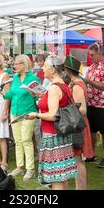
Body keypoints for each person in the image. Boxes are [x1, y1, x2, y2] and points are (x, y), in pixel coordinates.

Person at [28, 55, 77, 190]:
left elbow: (53, 115)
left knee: (56, 178)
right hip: (61, 135)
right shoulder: (62, 85)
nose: (42, 68)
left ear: (53, 70)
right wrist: (41, 96)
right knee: (62, 176)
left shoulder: (54, 88)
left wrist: (36, 114)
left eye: (45, 66)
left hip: (53, 136)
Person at [5, 55, 41, 180]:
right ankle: (19, 167)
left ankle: (30, 168)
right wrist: (4, 91)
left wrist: (37, 95)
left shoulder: (33, 78)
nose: (14, 66)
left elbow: (39, 97)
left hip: (27, 112)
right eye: (14, 64)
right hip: (14, 111)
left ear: (24, 64)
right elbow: (10, 95)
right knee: (18, 141)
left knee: (26, 140)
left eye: (16, 64)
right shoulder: (15, 78)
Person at [64, 55, 94, 190]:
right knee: (76, 160)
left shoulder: (77, 85)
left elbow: (82, 108)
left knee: (78, 160)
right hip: (77, 124)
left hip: (78, 125)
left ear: (68, 70)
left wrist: (65, 110)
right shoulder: (75, 83)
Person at [84, 43, 104, 168]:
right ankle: (92, 154)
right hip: (91, 103)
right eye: (89, 55)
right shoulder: (91, 67)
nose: (90, 57)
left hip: (102, 104)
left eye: (92, 55)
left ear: (99, 53)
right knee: (92, 131)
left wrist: (89, 81)